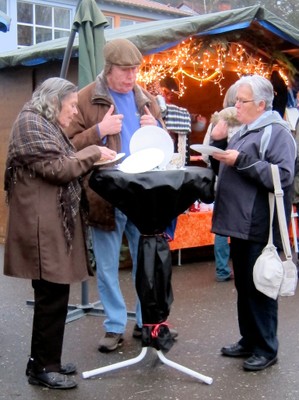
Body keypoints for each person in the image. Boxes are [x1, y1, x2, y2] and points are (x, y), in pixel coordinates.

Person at [3, 77, 116, 389]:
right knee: (51, 298)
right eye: (71, 107)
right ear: (54, 103)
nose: (73, 114)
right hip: (40, 226)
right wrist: (94, 151)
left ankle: (44, 361)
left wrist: (91, 155)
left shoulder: (39, 123)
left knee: (54, 296)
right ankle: (42, 367)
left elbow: (64, 162)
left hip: (48, 223)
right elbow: (59, 168)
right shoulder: (30, 124)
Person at [66, 38, 177, 353]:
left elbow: (164, 144)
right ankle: (114, 325)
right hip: (106, 195)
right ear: (109, 69)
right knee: (107, 264)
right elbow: (67, 145)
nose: (131, 77)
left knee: (146, 263)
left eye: (135, 70)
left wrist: (156, 126)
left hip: (143, 195)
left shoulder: (146, 99)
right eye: (125, 71)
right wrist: (99, 130)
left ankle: (146, 322)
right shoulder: (86, 98)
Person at [211, 75, 296, 371]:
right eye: (236, 100)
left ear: (260, 104)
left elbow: (283, 177)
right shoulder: (245, 130)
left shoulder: (278, 133)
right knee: (245, 286)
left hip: (260, 223)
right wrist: (218, 141)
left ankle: (266, 347)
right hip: (239, 222)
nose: (235, 105)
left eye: (241, 100)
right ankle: (249, 339)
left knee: (260, 286)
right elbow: (226, 165)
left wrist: (242, 161)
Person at [202, 83, 240, 282]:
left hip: (222, 180)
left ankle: (222, 269)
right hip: (242, 181)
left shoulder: (218, 119)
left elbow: (207, 154)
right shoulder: (247, 118)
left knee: (221, 228)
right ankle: (245, 267)